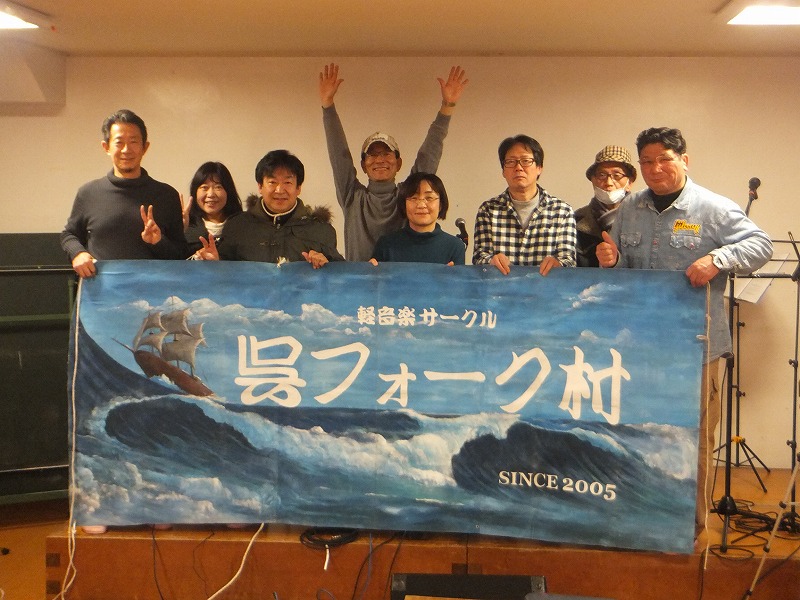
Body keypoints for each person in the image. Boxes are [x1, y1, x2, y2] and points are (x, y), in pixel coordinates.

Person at [595, 126, 773, 534]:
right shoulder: (630, 208)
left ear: (684, 161)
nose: (655, 168)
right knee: (636, 432)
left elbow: (760, 246)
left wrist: (718, 258)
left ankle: (691, 529)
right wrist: (611, 260)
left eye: (665, 159)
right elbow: (621, 269)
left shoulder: (712, 208)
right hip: (639, 346)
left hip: (696, 347)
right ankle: (640, 519)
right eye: (647, 161)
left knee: (695, 439)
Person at [318, 63, 469, 262]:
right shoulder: (352, 198)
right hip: (358, 282)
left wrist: (447, 107)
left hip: (400, 281)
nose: (380, 159)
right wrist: (327, 105)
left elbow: (429, 154)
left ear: (398, 163)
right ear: (363, 166)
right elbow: (339, 154)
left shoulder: (407, 196)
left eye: (386, 153)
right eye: (372, 155)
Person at [60, 109, 188, 278]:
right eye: (119, 142)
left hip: (154, 292)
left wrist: (158, 242)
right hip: (102, 291)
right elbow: (69, 234)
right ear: (106, 147)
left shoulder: (166, 195)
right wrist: (77, 253)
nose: (126, 150)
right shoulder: (88, 193)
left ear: (145, 147)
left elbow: (180, 255)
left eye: (134, 142)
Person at [197, 149, 343, 267]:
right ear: (260, 186)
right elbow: (225, 275)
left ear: (298, 188)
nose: (279, 190)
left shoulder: (321, 230)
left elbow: (341, 276)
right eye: (272, 182)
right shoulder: (238, 225)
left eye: (287, 182)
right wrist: (215, 262)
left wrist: (327, 265)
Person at [473, 134, 576, 276]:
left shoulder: (562, 211)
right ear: (503, 171)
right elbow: (479, 258)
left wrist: (558, 264)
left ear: (539, 167)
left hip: (546, 289)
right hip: (501, 288)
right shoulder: (488, 210)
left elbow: (569, 261)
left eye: (526, 161)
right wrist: (490, 261)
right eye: (510, 162)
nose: (518, 168)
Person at [370, 172, 465, 265]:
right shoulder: (386, 244)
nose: (421, 205)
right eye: (414, 198)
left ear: (440, 204)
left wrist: (450, 275)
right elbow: (376, 275)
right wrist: (370, 271)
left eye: (429, 198)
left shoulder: (454, 246)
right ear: (404, 204)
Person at [574, 145, 637, 267]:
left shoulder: (643, 218)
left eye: (617, 175)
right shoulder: (576, 219)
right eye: (602, 175)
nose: (608, 183)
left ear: (629, 182)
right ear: (592, 180)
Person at [183, 162, 243, 258]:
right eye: (204, 187)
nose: (211, 194)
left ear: (228, 191)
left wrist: (219, 262)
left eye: (218, 187)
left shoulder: (244, 225)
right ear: (195, 192)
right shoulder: (187, 226)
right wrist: (179, 230)